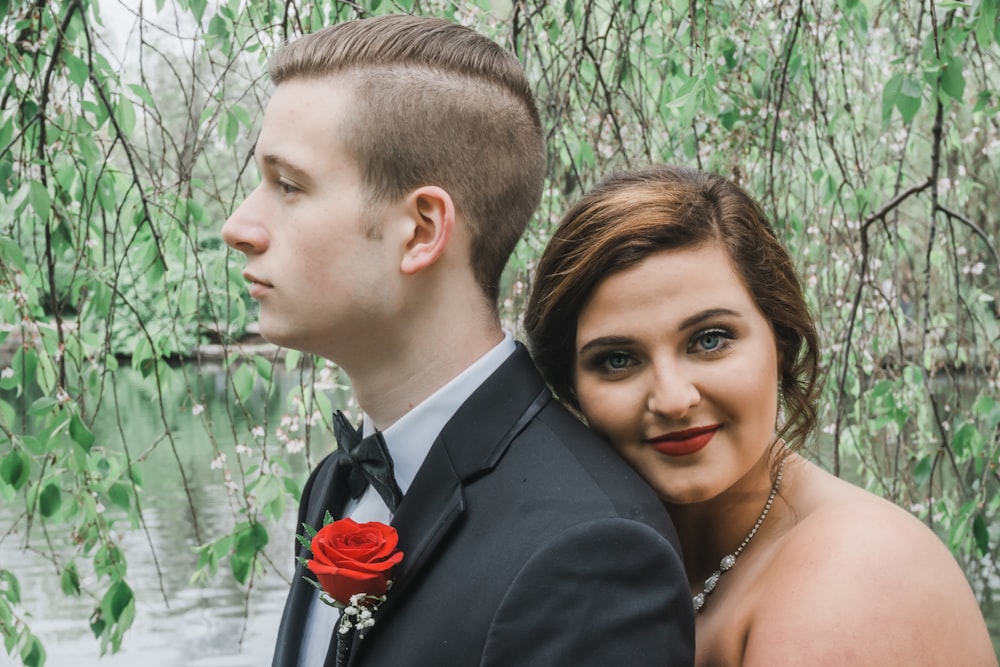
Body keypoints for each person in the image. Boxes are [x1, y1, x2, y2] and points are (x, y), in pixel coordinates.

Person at [221, 15, 694, 667]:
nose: (239, 225)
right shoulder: (336, 478)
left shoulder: (592, 549)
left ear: (420, 231)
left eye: (289, 186)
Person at [523, 164, 998, 666]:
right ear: (571, 389)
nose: (672, 398)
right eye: (617, 360)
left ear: (781, 337)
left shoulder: (858, 571)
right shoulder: (610, 571)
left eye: (710, 340)